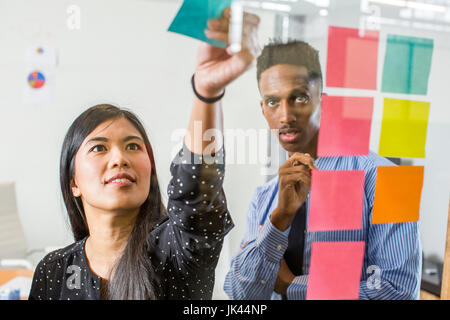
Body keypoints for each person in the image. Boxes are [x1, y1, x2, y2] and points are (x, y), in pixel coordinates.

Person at [28, 7, 260, 300]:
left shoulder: (176, 249)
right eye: (99, 147)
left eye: (133, 146)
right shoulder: (54, 270)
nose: (119, 158)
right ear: (73, 181)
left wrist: (206, 92)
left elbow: (196, 189)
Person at [224, 40, 421, 300]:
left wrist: (293, 286)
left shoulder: (387, 179)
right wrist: (280, 218)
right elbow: (241, 294)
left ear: (323, 101)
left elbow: (399, 292)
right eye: (273, 102)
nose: (285, 115)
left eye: (299, 97)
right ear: (263, 109)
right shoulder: (265, 198)